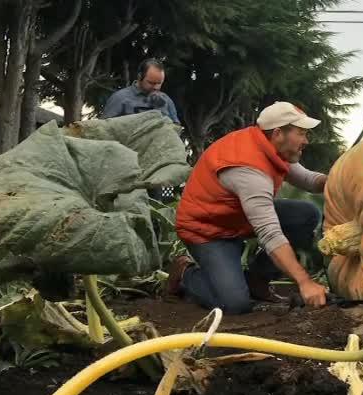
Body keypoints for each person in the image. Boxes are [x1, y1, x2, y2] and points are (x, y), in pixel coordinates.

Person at [166, 101, 328, 314]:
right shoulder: (249, 170)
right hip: (207, 230)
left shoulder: (272, 147)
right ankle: (186, 274)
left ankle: (256, 281)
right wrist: (304, 282)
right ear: (279, 133)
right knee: (234, 304)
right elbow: (270, 235)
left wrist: (339, 179)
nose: (306, 141)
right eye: (301, 134)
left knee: (306, 215)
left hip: (237, 218)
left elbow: (308, 179)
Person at [102, 58, 180, 124]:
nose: (156, 87)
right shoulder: (120, 98)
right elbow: (105, 129)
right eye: (151, 83)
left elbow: (176, 128)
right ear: (140, 77)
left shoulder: (166, 99)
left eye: (159, 83)